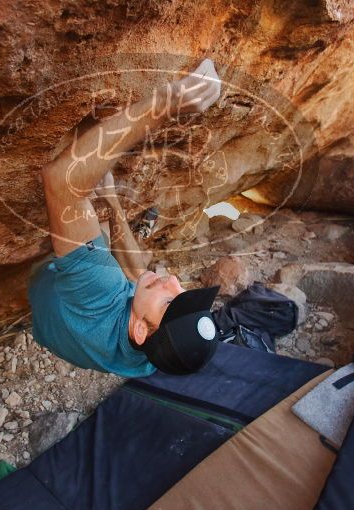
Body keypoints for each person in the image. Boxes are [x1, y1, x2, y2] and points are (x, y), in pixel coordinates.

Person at [29, 59, 223, 377]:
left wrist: (167, 102)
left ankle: (115, 227)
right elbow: (140, 275)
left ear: (142, 331)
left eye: (167, 304)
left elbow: (60, 181)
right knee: (142, 268)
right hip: (70, 328)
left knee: (99, 224)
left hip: (47, 280)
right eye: (182, 294)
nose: (173, 281)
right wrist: (113, 200)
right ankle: (126, 220)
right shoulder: (151, 359)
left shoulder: (99, 293)